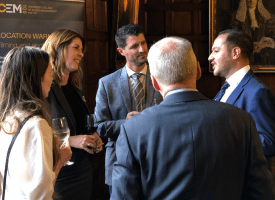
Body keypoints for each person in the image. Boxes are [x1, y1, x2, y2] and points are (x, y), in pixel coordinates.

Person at [111, 36, 274, 199]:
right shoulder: (241, 120)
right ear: (197, 70)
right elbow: (261, 192)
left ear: (154, 82)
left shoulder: (133, 129)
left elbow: (124, 196)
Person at [94, 24, 163, 195]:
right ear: (121, 51)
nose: (143, 49)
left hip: (158, 162)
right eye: (134, 46)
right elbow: (100, 126)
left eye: (144, 43)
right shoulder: (107, 83)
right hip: (120, 164)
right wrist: (125, 123)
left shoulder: (163, 77)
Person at [0, 46, 72, 199]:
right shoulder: (36, 125)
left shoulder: (6, 118)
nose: (52, 78)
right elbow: (40, 195)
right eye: (50, 73)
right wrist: (60, 161)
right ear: (37, 77)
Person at [42, 29, 104, 200]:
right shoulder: (44, 88)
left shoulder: (74, 86)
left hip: (83, 170)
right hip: (60, 174)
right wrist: (72, 141)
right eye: (76, 48)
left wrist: (93, 136)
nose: (81, 54)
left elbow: (79, 124)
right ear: (57, 47)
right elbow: (37, 135)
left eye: (81, 49)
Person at [208, 29, 275, 171]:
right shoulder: (226, 88)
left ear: (235, 53)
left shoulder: (257, 92)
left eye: (216, 51)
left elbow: (268, 144)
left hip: (244, 188)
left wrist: (221, 144)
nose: (210, 57)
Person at [230, 0, 275, 65]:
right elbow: (233, 39)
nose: (251, 1)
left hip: (263, 57)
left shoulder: (269, 17)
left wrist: (263, 44)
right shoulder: (235, 17)